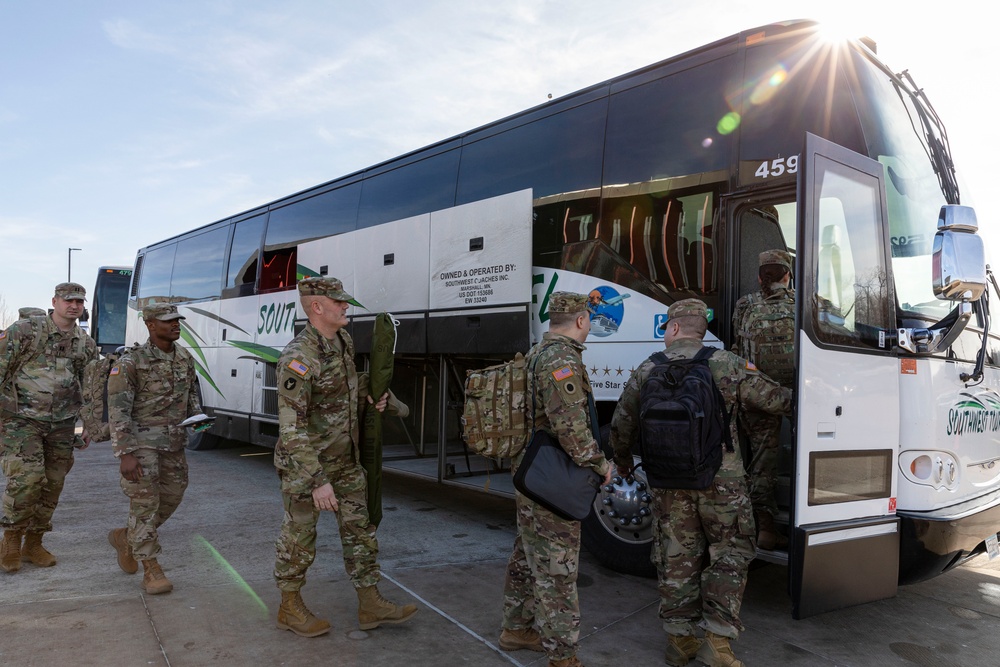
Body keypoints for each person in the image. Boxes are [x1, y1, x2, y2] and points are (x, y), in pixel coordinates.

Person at [610, 299, 792, 667]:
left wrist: (625, 464)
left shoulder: (647, 369)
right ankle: (717, 645)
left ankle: (680, 643)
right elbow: (778, 400)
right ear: (701, 329)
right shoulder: (727, 363)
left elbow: (621, 426)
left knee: (675, 557)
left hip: (667, 482)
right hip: (721, 482)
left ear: (674, 328)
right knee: (729, 555)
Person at [273, 276, 416, 638]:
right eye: (338, 302)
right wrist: (317, 481)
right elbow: (291, 430)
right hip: (308, 468)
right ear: (316, 307)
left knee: (360, 532)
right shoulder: (298, 358)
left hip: (345, 461)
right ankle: (289, 606)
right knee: (299, 537)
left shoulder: (343, 341)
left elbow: (349, 386)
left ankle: (370, 603)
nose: (345, 306)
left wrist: (381, 399)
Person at [500, 291, 613, 667]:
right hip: (552, 476)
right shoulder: (562, 359)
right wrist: (600, 464)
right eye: (590, 319)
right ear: (581, 321)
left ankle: (516, 628)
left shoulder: (536, 353)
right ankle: (563, 656)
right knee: (557, 567)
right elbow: (570, 426)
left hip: (532, 472)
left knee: (526, 552)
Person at [0, 282, 98, 572]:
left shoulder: (85, 343)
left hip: (62, 425)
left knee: (53, 484)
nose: (74, 306)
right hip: (21, 420)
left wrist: (90, 423)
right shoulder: (25, 331)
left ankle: (34, 543)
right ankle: (11, 540)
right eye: (68, 300)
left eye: (79, 302)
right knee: (27, 480)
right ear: (54, 301)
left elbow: (90, 386)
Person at [106, 303, 202, 594]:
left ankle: (127, 537)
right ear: (150, 324)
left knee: (173, 495)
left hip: (173, 443)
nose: (176, 325)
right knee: (145, 504)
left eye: (177, 320)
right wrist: (125, 453)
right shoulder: (131, 362)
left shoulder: (184, 357)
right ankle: (151, 568)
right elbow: (118, 409)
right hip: (141, 444)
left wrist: (198, 419)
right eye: (168, 321)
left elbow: (191, 396)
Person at [731, 250, 795, 550]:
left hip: (756, 392)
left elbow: (739, 345)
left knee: (761, 463)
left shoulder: (744, 305)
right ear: (788, 275)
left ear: (760, 277)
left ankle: (765, 527)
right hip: (799, 394)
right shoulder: (807, 303)